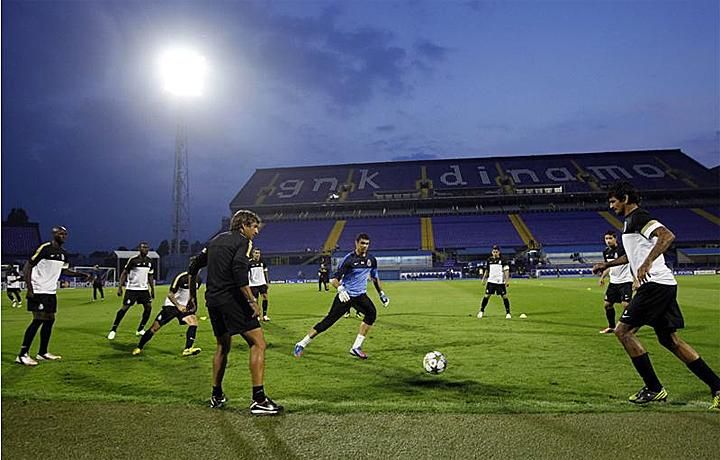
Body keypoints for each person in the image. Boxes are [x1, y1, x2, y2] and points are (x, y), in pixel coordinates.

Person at [592, 181, 720, 408]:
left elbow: (667, 236)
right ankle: (717, 386)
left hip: (654, 285)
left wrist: (647, 263)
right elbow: (633, 256)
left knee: (623, 332)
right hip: (663, 284)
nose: (611, 206)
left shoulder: (639, 217)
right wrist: (607, 264)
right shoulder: (629, 223)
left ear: (626, 198)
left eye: (613, 201)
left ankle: (654, 388)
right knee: (670, 340)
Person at [188, 209, 283, 414]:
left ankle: (216, 395)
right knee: (258, 343)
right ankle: (258, 399)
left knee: (222, 346)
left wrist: (192, 297)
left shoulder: (214, 241)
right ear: (243, 226)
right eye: (254, 226)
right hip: (231, 299)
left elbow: (193, 266)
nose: (256, 232)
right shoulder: (243, 242)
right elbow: (239, 271)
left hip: (212, 301)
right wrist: (251, 301)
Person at [293, 233, 390, 360]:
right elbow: (334, 279)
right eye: (362, 243)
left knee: (372, 314)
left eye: (367, 244)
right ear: (356, 243)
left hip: (360, 296)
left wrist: (381, 294)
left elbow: (374, 278)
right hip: (346, 296)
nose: (364, 246)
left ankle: (356, 347)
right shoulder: (348, 259)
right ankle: (301, 343)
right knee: (328, 322)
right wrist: (340, 289)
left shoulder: (371, 260)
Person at [15, 226, 92, 366]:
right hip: (38, 290)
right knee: (38, 319)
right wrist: (30, 288)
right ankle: (22, 354)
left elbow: (64, 271)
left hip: (50, 291)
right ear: (54, 234)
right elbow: (28, 267)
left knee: (50, 319)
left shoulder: (63, 253)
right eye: (60, 233)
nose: (63, 236)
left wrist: (81, 274)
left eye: (65, 234)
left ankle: (42, 352)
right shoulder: (45, 248)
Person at [132, 271, 202, 356]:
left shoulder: (198, 279)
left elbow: (193, 295)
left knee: (193, 322)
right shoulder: (181, 277)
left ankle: (188, 349)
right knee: (154, 328)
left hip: (184, 308)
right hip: (171, 305)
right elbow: (170, 294)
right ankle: (139, 347)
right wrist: (178, 305)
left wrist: (194, 307)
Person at [107, 242, 155, 339]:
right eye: (143, 247)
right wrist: (120, 287)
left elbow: (150, 275)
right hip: (132, 289)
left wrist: (152, 289)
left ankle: (140, 329)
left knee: (148, 308)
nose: (145, 249)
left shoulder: (150, 261)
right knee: (124, 309)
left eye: (147, 248)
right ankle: (113, 330)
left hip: (144, 290)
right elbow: (124, 273)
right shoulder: (133, 260)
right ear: (139, 249)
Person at [597, 230, 634, 334]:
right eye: (606, 239)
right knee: (607, 305)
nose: (608, 241)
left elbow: (632, 263)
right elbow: (608, 266)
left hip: (626, 281)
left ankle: (628, 326)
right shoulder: (606, 252)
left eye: (610, 238)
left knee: (627, 305)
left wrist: (636, 280)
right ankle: (611, 326)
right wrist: (602, 277)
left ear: (615, 238)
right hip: (613, 282)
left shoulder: (623, 249)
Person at [477, 245, 512, 319]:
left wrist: (507, 280)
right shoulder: (489, 260)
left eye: (496, 252)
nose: (495, 253)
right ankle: (481, 311)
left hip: (500, 282)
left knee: (504, 296)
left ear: (499, 252)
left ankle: (508, 313)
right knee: (486, 296)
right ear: (492, 252)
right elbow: (487, 270)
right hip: (491, 281)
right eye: (494, 252)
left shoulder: (503, 260)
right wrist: (484, 279)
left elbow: (506, 270)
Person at [248, 248, 271, 321]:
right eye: (256, 253)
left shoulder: (262, 262)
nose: (258, 255)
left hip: (262, 283)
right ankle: (258, 315)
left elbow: (265, 272)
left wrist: (267, 282)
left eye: (259, 253)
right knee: (256, 300)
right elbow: (248, 274)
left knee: (265, 297)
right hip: (253, 284)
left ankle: (264, 315)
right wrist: (248, 283)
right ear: (253, 254)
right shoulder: (249, 263)